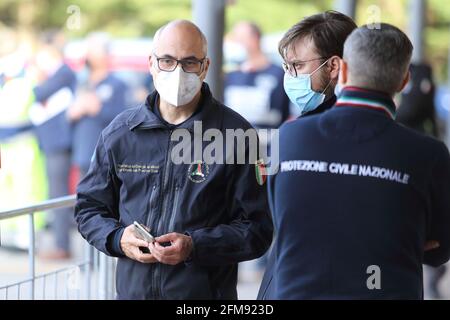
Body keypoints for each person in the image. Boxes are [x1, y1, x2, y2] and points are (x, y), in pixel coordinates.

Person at [74, 20, 273, 299]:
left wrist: (195, 246)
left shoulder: (236, 136)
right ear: (152, 63)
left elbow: (258, 229)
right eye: (167, 60)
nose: (178, 71)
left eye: (189, 62)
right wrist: (118, 239)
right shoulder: (121, 133)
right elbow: (89, 208)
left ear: (205, 67)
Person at [272, 23, 450, 299]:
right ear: (404, 81)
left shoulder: (289, 138)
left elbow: (284, 218)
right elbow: (440, 249)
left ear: (341, 70)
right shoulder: (429, 155)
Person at [257, 10, 357, 300]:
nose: (291, 77)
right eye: (287, 67)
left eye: (298, 65)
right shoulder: (300, 130)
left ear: (334, 66)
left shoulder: (301, 137)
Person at [30, 31, 76, 259]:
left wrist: (38, 77)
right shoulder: (59, 73)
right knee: (55, 192)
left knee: (59, 194)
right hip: (51, 144)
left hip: (60, 144)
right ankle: (60, 242)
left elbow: (38, 93)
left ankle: (62, 246)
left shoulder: (63, 73)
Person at [67, 32, 128, 178]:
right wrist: (73, 112)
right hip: (82, 155)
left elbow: (123, 119)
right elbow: (68, 116)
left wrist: (98, 109)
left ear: (105, 54)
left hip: (106, 157)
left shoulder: (117, 84)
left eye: (94, 50)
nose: (89, 54)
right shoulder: (81, 82)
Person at [224, 21, 290, 129]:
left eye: (240, 39)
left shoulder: (278, 73)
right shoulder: (231, 75)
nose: (237, 43)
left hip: (268, 140)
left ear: (255, 38)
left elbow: (282, 112)